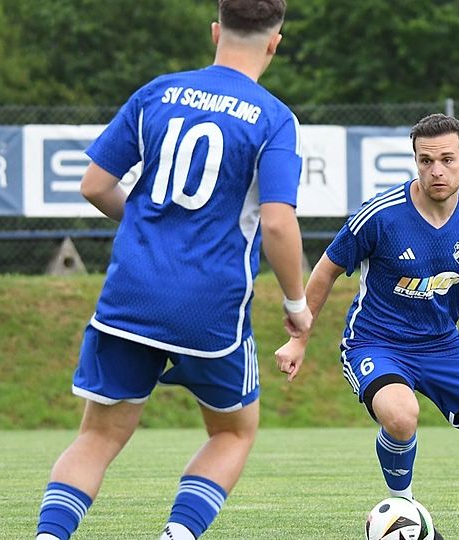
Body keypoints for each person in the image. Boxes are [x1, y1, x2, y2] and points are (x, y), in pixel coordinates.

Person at [34, 1, 311, 539]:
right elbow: (277, 224)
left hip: (130, 295)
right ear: (275, 43)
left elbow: (93, 184)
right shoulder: (275, 118)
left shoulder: (157, 92)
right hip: (211, 306)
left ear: (215, 31)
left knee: (97, 437)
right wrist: (296, 304)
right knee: (232, 433)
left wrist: (144, 221)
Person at [274, 113, 459, 540]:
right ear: (415, 161)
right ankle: (402, 513)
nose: (436, 170)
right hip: (376, 343)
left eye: (446, 159)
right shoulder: (381, 215)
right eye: (425, 161)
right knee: (402, 416)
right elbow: (326, 270)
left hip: (444, 347)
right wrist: (298, 340)